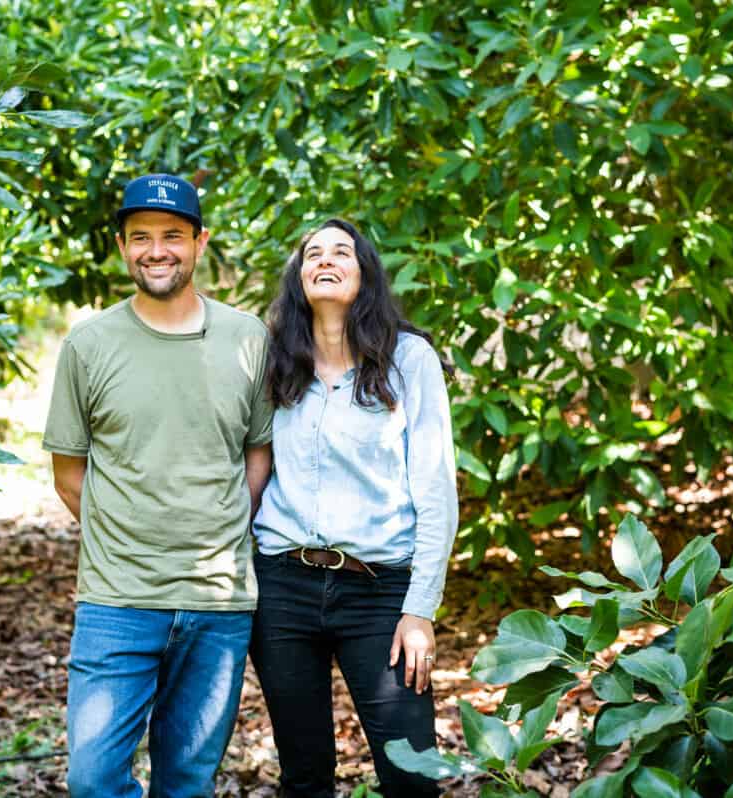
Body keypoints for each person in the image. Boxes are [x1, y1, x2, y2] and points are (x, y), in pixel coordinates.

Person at [43, 173, 274, 797]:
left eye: (173, 235)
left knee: (187, 783)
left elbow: (259, 453)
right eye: (140, 237)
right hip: (118, 600)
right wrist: (130, 534)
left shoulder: (248, 338)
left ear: (200, 241)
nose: (157, 250)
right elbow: (70, 474)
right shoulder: (88, 346)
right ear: (121, 246)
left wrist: (219, 522)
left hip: (217, 600)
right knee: (93, 779)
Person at [250, 218, 459, 797]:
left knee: (413, 775)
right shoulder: (273, 361)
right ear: (297, 278)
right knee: (305, 775)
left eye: (341, 251)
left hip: (380, 592)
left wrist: (420, 610)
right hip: (282, 588)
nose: (325, 259)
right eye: (311, 253)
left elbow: (437, 489)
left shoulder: (409, 360)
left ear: (364, 272)